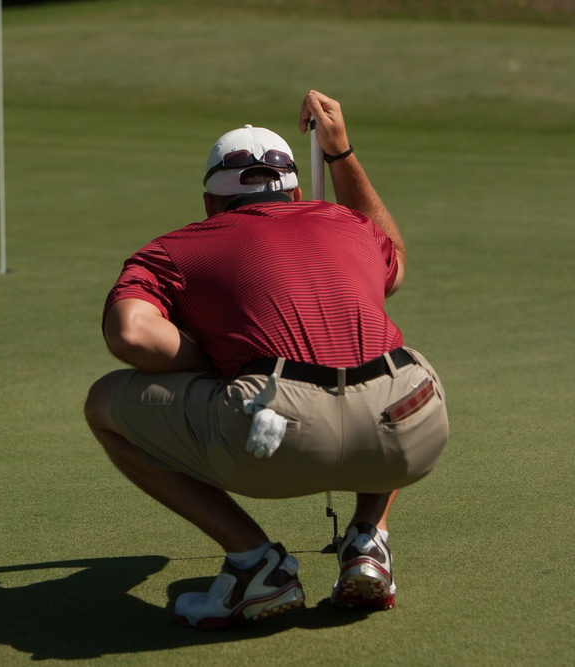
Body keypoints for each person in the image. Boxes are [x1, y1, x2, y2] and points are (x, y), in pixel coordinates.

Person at [84, 90, 449, 630]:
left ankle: (257, 564)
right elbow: (392, 268)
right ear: (298, 191)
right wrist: (341, 153)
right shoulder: (350, 225)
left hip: (274, 437)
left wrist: (217, 362)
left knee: (103, 403)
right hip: (410, 426)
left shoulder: (177, 247)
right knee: (395, 354)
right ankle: (370, 542)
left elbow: (131, 334)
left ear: (210, 203)